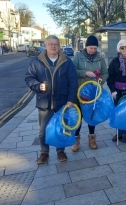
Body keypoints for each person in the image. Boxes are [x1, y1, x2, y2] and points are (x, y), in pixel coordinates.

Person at [25, 35, 78, 164]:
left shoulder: (67, 61)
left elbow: (73, 82)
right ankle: (44, 153)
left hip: (63, 102)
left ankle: (61, 151)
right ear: (45, 45)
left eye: (56, 44)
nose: (53, 46)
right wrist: (37, 86)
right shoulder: (36, 61)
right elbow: (29, 78)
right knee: (43, 130)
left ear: (59, 46)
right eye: (51, 44)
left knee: (61, 128)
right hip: (44, 101)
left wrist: (71, 99)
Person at [72, 35, 108, 151]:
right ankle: (76, 140)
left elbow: (105, 72)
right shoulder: (78, 56)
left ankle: (92, 138)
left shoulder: (100, 58)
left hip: (93, 92)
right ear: (86, 47)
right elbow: (73, 71)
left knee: (91, 115)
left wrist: (100, 81)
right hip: (80, 92)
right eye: (91, 48)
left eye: (94, 48)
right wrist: (85, 73)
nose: (93, 50)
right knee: (79, 116)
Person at [107, 39, 126, 143]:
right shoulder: (114, 62)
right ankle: (118, 132)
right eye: (122, 47)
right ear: (119, 49)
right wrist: (113, 91)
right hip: (117, 91)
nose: (124, 49)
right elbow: (109, 77)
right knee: (118, 113)